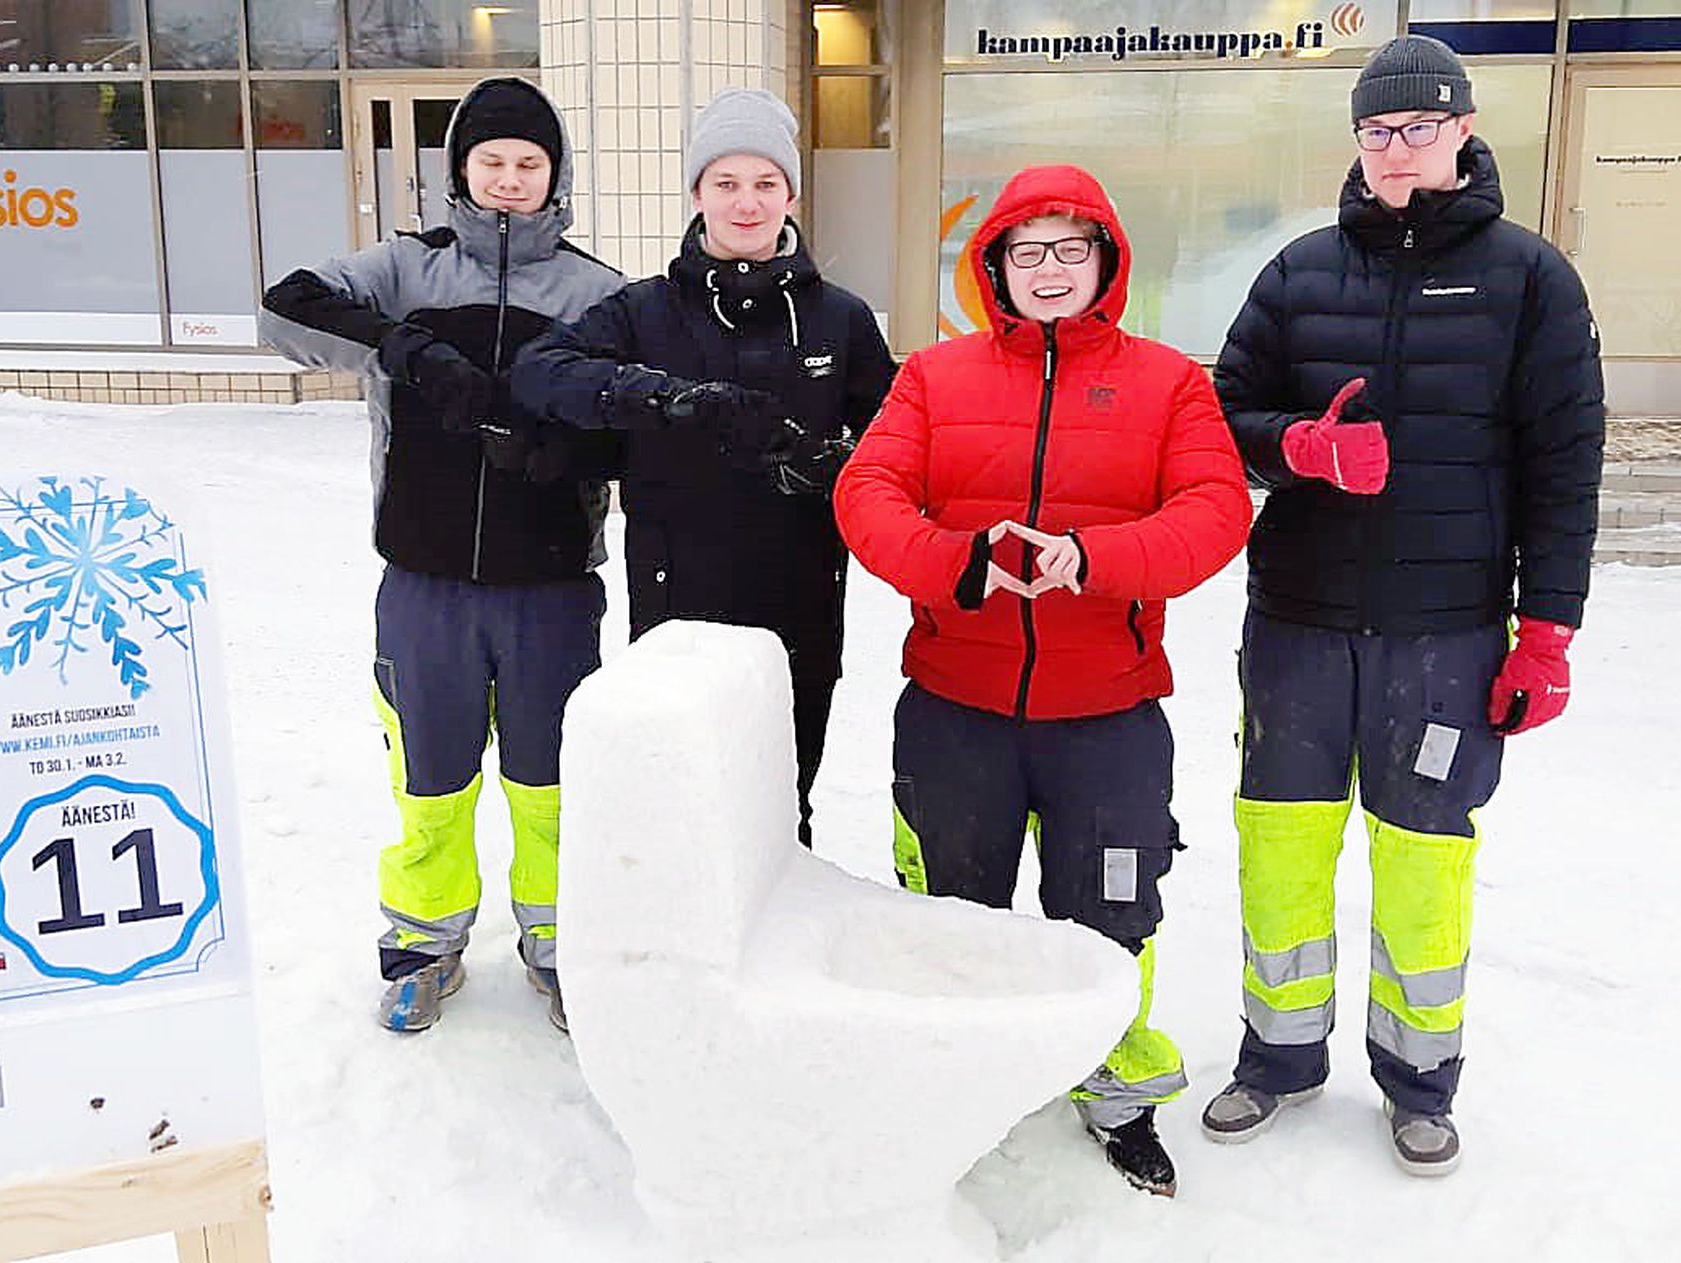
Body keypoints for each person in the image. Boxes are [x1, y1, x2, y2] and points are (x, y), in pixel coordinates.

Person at [1202, 34, 1605, 1176]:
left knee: (1423, 854)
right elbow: (1218, 417)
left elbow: (1563, 463)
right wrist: (1300, 450)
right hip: (1296, 620)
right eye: (1376, 132)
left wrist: (1548, 631)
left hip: (1446, 626)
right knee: (1279, 845)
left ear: (1464, 131)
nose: (1394, 151)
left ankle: (1417, 1079)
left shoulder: (1528, 280)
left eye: (1417, 129)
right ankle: (1276, 1058)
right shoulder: (1297, 273)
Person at [833, 164, 1253, 1198]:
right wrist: (960, 560)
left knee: (1108, 917)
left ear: (1105, 261)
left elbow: (1212, 511)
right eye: (1028, 251)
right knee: (952, 914)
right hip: (954, 706)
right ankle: (954, 1086)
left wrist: (1093, 557)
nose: (1050, 269)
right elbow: (866, 492)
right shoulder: (934, 378)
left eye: (1072, 248)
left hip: (1105, 712)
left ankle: (1110, 1090)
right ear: (993, 268)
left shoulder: (1169, 383)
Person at [259, 77, 624, 1035]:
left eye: (529, 164)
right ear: (461, 169)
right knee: (432, 776)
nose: (509, 180)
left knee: (551, 778)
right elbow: (285, 311)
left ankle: (559, 943)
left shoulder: (597, 293)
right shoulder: (405, 268)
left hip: (550, 588)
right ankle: (425, 943)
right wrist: (404, 350)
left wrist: (572, 450)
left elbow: (630, 420)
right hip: (423, 583)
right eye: (491, 162)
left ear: (557, 176)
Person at [511, 87, 894, 844]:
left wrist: (833, 466)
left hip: (801, 601)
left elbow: (897, 442)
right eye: (725, 183)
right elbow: (539, 371)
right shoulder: (642, 311)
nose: (746, 204)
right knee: (681, 801)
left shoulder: (841, 318)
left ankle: (775, 942)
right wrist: (671, 400)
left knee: (783, 803)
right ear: (696, 193)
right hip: (678, 595)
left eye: (764, 184)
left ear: (791, 192)